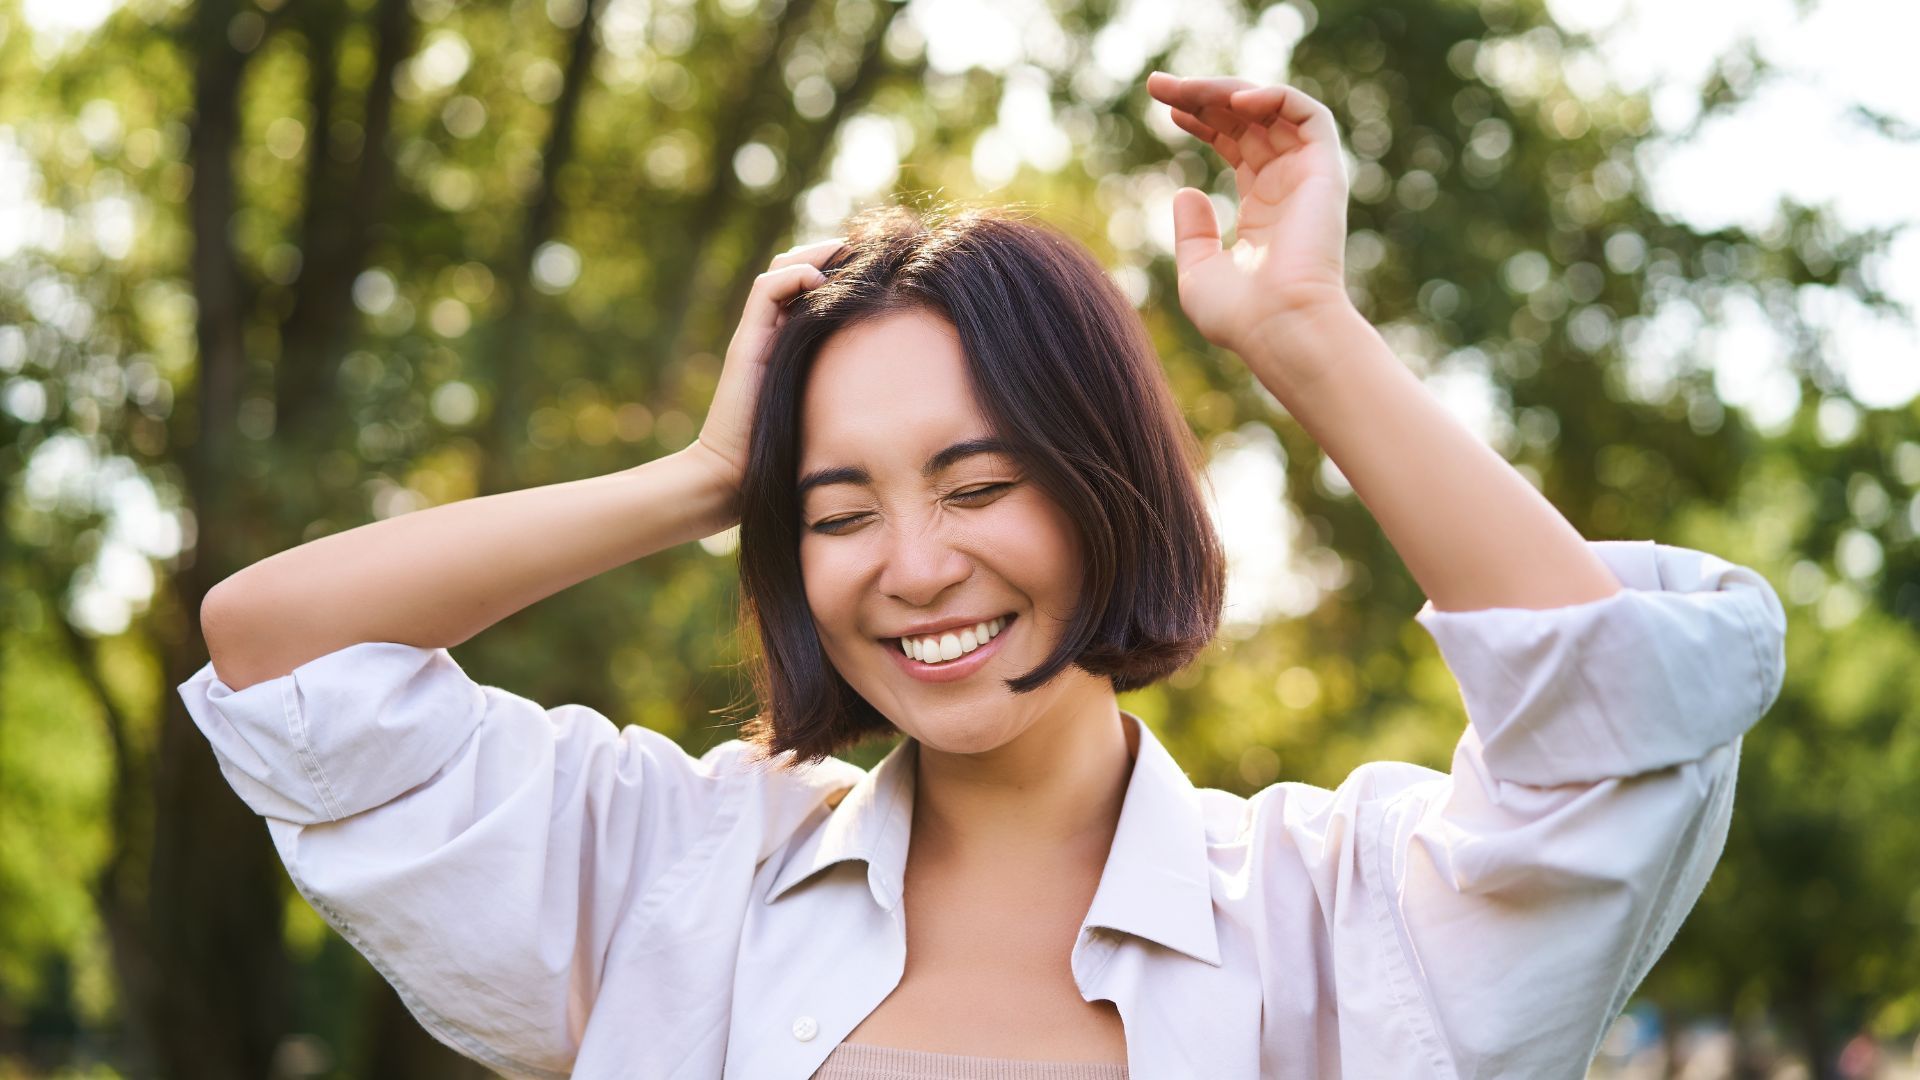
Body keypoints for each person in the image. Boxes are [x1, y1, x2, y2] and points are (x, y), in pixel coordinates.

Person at [179, 72, 1787, 1079]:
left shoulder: (1334, 915)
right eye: (839, 513)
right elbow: (282, 661)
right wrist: (704, 479)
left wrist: (1307, 335)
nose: (915, 567)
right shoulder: (679, 874)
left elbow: (1621, 727)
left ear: (1102, 490)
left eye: (979, 485)